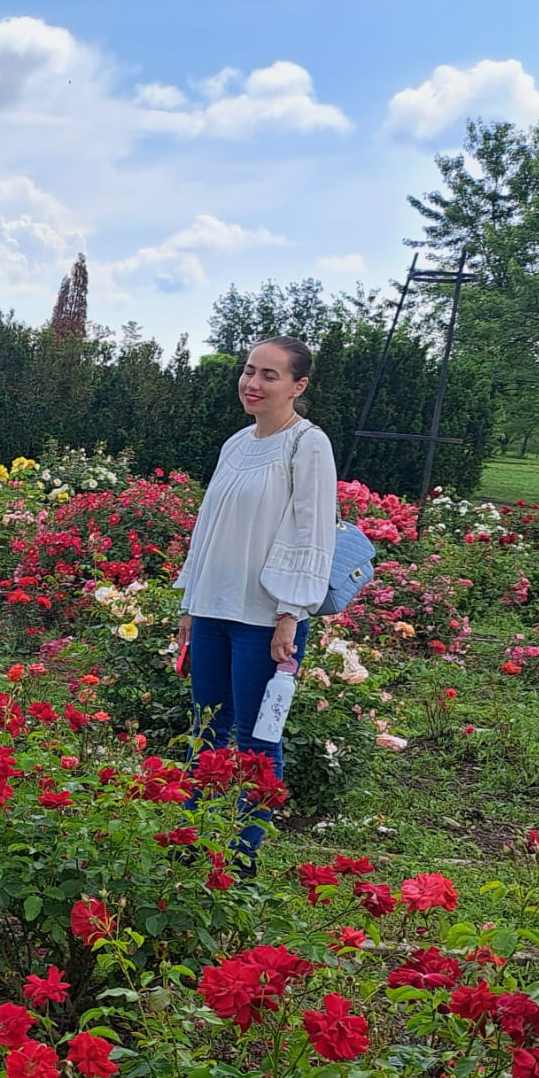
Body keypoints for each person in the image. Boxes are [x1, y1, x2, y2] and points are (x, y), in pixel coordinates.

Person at [173, 336, 336, 869]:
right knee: (206, 728)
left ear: (298, 385)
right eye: (249, 371)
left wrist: (290, 612)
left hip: (266, 620)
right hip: (215, 611)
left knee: (258, 739)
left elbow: (311, 529)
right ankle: (191, 843)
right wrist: (190, 605)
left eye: (270, 375)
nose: (253, 383)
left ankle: (239, 858)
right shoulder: (236, 444)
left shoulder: (306, 444)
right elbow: (209, 529)